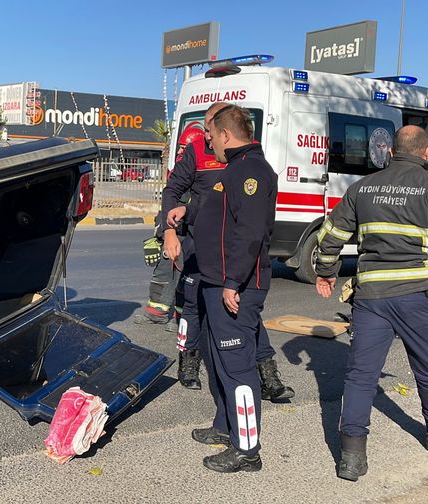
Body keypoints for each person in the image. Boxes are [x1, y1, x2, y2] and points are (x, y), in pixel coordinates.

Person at [314, 125, 428, 482]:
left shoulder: (363, 187)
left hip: (372, 297)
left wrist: (326, 270)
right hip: (418, 296)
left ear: (392, 151)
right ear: (426, 153)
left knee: (361, 376)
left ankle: (351, 458)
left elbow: (331, 233)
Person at [167, 105, 277, 473]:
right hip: (215, 283)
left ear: (226, 135)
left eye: (211, 135)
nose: (207, 141)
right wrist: (187, 212)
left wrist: (233, 283)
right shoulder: (234, 168)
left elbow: (250, 232)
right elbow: (218, 212)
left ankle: (247, 450)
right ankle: (225, 427)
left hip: (237, 287)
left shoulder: (252, 172)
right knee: (217, 362)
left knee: (238, 368)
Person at [161, 102, 294, 400]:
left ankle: (266, 372)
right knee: (193, 305)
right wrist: (169, 230)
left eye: (209, 130)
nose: (206, 137)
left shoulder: (247, 157)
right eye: (206, 131)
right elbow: (172, 191)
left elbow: (250, 218)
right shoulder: (196, 150)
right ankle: (189, 362)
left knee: (242, 312)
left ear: (222, 130)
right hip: (201, 242)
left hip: (234, 249)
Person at [136, 125, 203, 331]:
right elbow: (167, 205)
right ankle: (156, 313)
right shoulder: (178, 171)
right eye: (181, 147)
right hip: (171, 232)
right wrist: (158, 234)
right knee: (162, 273)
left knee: (185, 278)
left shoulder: (200, 174)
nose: (182, 151)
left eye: (187, 147)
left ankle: (182, 318)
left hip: (189, 234)